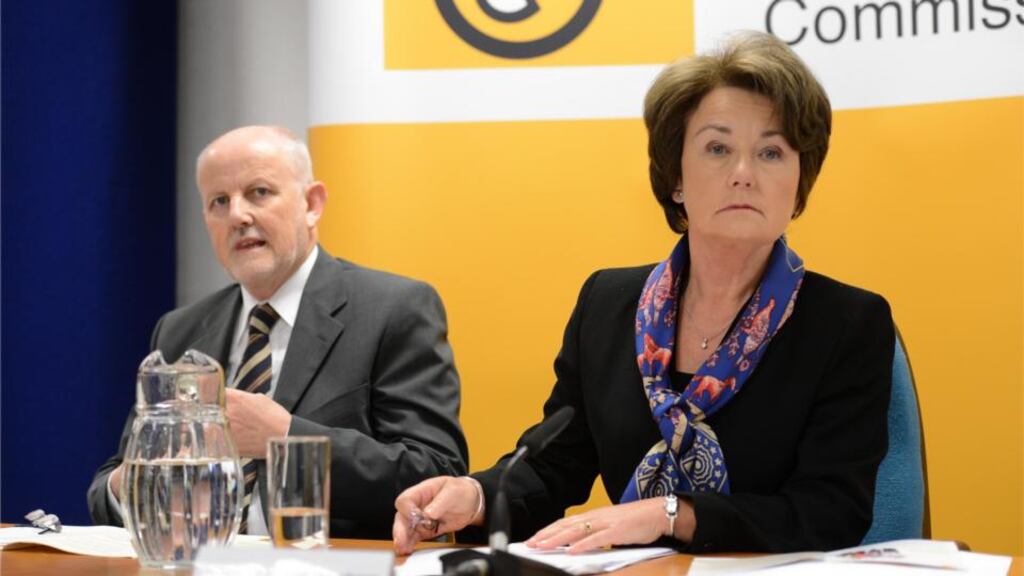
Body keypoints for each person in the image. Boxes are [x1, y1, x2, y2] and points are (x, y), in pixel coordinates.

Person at [392, 31, 894, 554]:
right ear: (676, 176)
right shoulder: (609, 305)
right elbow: (554, 465)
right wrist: (474, 497)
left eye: (771, 152)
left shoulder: (846, 324)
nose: (743, 174)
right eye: (718, 148)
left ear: (799, 181)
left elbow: (830, 512)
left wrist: (670, 515)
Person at [88, 125, 469, 539]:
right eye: (219, 201)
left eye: (259, 192)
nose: (238, 216)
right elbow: (111, 482)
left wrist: (284, 436)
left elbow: (436, 472)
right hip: (200, 561)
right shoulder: (180, 330)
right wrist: (139, 478)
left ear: (312, 204)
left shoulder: (394, 308)